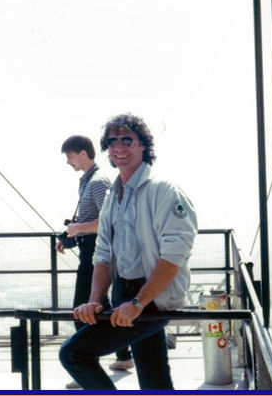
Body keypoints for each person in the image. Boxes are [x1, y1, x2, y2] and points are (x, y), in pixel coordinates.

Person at [58, 113, 197, 390]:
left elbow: (175, 253)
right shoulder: (114, 194)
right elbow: (104, 252)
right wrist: (95, 300)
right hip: (124, 294)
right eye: (112, 141)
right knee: (154, 378)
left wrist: (138, 303)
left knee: (74, 354)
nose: (118, 146)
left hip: (152, 299)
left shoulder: (163, 190)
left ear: (143, 145)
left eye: (126, 139)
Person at [57, 135, 133, 388]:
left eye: (69, 156)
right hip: (91, 249)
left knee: (82, 307)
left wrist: (78, 229)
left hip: (96, 253)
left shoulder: (98, 181)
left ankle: (82, 365)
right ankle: (123, 356)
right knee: (101, 304)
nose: (68, 162)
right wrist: (70, 236)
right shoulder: (90, 180)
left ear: (82, 153)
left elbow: (107, 220)